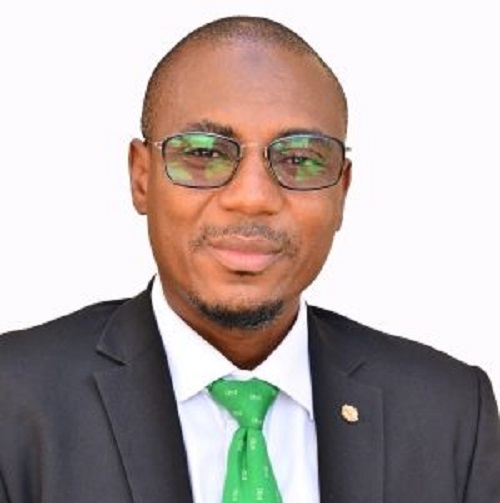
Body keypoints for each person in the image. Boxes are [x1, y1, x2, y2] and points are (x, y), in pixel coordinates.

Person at [0, 15, 499, 503]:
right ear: (141, 178)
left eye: (299, 159)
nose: (252, 197)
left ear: (342, 192)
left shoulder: (451, 414)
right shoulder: (14, 399)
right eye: (203, 153)